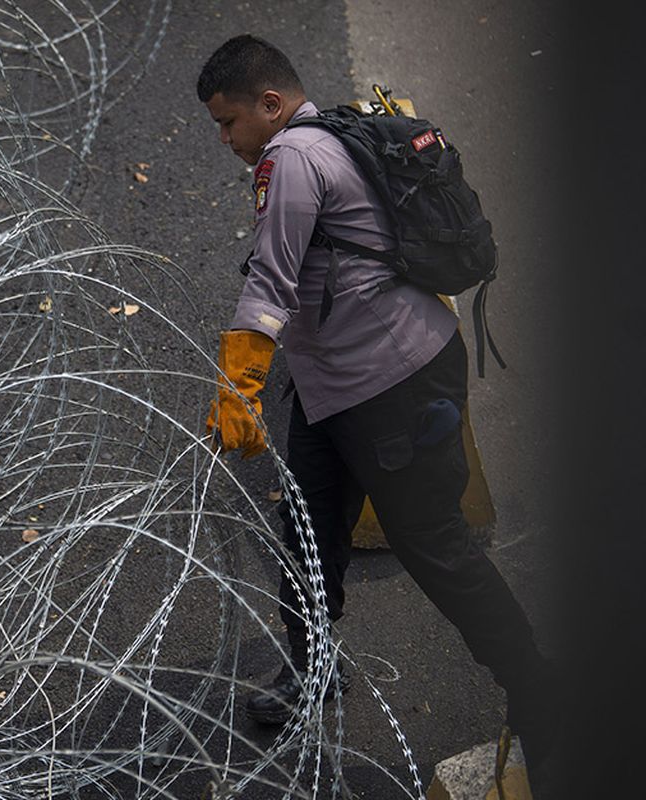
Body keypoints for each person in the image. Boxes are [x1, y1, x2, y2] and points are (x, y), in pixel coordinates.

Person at [196, 33, 557, 779]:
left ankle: (540, 691)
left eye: (228, 122)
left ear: (270, 105)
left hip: (392, 384)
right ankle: (312, 672)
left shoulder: (292, 157)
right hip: (338, 386)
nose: (226, 140)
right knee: (306, 530)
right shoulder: (325, 136)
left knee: (437, 550)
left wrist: (239, 381)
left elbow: (272, 279)